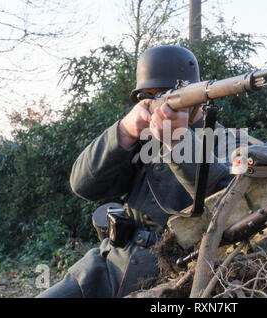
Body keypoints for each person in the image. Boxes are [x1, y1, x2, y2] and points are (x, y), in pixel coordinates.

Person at [37, 45, 239, 298]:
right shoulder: (140, 138)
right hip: (108, 268)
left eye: (170, 94)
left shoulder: (229, 140)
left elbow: (233, 197)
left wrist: (178, 141)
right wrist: (123, 131)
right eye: (149, 95)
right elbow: (82, 185)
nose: (161, 103)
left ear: (197, 97)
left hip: (180, 273)